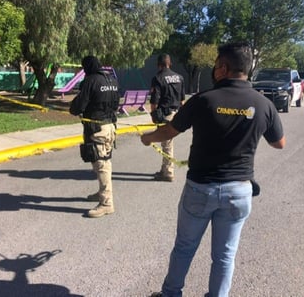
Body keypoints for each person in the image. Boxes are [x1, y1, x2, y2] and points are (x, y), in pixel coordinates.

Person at [141, 43, 285, 297]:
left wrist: (148, 138)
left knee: (184, 248)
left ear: (223, 68)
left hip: (200, 189)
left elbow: (169, 131)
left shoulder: (204, 100)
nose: (214, 69)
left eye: (216, 64)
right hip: (239, 192)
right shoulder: (263, 104)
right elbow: (279, 143)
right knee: (224, 257)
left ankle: (171, 294)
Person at [70, 56, 120, 218]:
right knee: (101, 161)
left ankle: (106, 203)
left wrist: (75, 108)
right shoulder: (111, 80)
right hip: (110, 126)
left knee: (102, 164)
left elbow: (78, 106)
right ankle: (101, 193)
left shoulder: (91, 81)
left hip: (97, 128)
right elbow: (116, 104)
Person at [149, 53, 185, 182]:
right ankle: (164, 169)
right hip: (176, 113)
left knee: (167, 144)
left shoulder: (158, 78)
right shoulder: (179, 77)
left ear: (159, 65)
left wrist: (153, 115)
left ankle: (168, 172)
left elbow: (154, 101)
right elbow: (182, 100)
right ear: (170, 63)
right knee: (167, 143)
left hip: (165, 114)